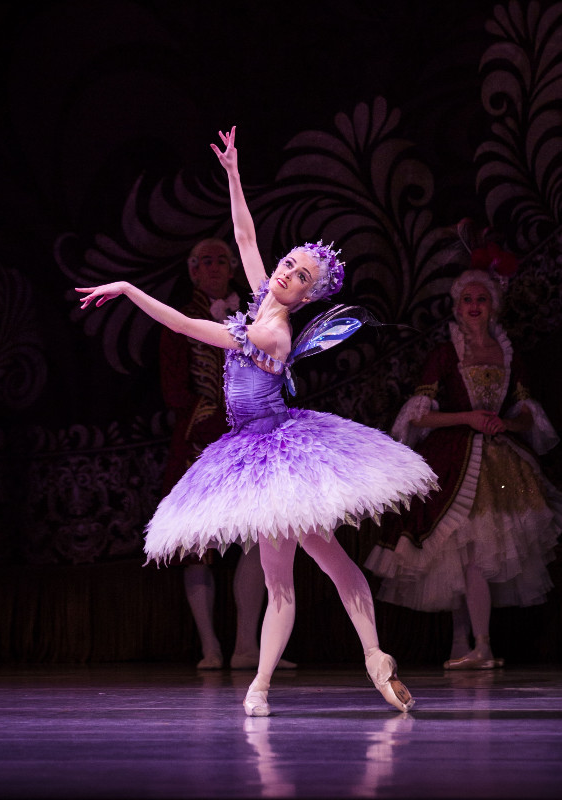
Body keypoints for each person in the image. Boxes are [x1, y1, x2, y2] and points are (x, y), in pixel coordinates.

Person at [76, 125, 438, 716]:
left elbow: (188, 327)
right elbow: (245, 237)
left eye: (298, 277)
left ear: (306, 296)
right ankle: (347, 664)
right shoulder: (262, 298)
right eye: (288, 264)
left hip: (275, 452)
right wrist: (235, 175)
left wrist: (126, 288)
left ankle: (278, 682)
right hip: (253, 448)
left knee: (296, 574)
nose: (284, 274)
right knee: (307, 568)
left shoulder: (269, 328)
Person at [365, 220, 562, 669]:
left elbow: (529, 410)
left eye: (482, 299)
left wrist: (507, 426)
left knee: (476, 553)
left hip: (501, 465)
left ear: (494, 306)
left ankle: (482, 645)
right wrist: (469, 417)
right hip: (453, 459)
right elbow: (420, 416)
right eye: (468, 299)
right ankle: (464, 643)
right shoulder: (444, 354)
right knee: (455, 554)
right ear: (457, 306)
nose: (474, 306)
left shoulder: (509, 352)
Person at [160, 237, 295, 670]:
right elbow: (175, 387)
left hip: (250, 432)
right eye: (206, 262)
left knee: (261, 538)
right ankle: (209, 647)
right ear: (193, 270)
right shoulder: (183, 317)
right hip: (201, 434)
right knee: (198, 544)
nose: (215, 268)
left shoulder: (256, 309)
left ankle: (246, 647)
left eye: (222, 260)